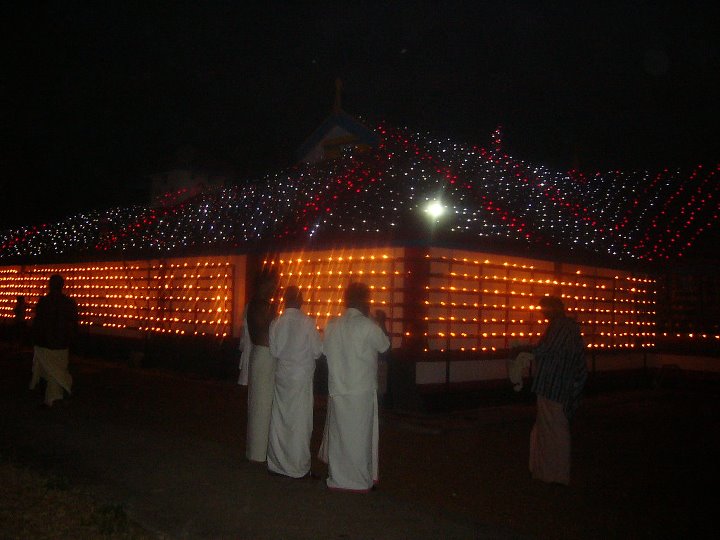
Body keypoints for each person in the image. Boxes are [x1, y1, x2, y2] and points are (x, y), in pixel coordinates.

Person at [319, 283, 390, 492]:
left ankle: (338, 477)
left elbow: (325, 352)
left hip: (338, 389)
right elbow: (385, 346)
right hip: (361, 391)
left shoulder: (333, 325)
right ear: (364, 301)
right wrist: (382, 321)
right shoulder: (368, 326)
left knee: (340, 437)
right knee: (360, 439)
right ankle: (359, 480)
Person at [529, 296, 587, 485]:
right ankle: (544, 469)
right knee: (547, 428)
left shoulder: (561, 327)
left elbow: (546, 349)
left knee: (555, 429)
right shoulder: (569, 327)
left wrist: (522, 350)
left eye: (544, 309)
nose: (542, 313)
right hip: (558, 385)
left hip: (553, 386)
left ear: (553, 309)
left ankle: (555, 473)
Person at [267, 286, 322, 478]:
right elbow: (317, 351)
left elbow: (274, 352)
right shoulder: (307, 323)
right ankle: (297, 467)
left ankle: (277, 463)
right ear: (301, 301)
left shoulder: (277, 322)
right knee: (300, 422)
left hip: (283, 377)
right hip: (301, 379)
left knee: (281, 419)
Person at [29, 275, 79, 407]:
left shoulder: (44, 302)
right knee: (57, 370)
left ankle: (50, 396)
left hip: (45, 343)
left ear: (49, 285)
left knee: (47, 371)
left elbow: (38, 322)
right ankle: (56, 395)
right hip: (60, 344)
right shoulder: (68, 303)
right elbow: (73, 323)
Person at [245, 269, 279, 462]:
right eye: (272, 285)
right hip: (264, 355)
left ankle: (257, 450)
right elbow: (269, 332)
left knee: (260, 403)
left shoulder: (255, 304)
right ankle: (259, 452)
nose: (275, 289)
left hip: (261, 355)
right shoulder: (262, 305)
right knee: (262, 404)